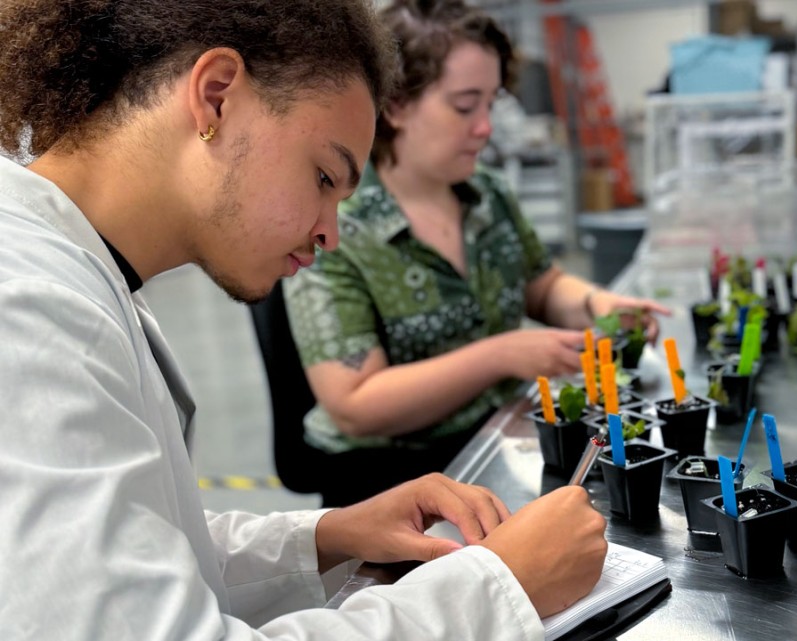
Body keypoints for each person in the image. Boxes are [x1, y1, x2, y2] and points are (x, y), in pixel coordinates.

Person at [0, 1, 606, 639]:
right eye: (323, 176)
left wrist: (328, 535)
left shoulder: (85, 272)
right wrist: (495, 589)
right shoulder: (29, 309)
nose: (331, 235)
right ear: (215, 98)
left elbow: (140, 558)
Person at [284, 0, 670, 506]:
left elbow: (544, 285)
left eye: (491, 104)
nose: (485, 127)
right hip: (385, 480)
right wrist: (501, 355)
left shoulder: (486, 192)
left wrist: (598, 304)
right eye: (466, 106)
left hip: (491, 438)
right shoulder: (339, 224)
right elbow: (355, 403)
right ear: (396, 104)